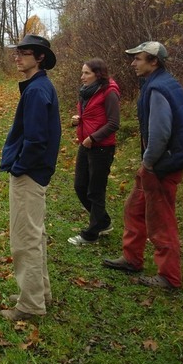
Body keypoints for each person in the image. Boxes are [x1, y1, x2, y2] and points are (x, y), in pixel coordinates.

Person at [103, 41, 183, 288]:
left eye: (138, 59)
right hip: (159, 162)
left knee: (161, 219)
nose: (132, 63)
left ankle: (169, 276)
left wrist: (148, 163)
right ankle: (131, 258)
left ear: (154, 61)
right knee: (134, 208)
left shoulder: (158, 89)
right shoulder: (160, 82)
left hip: (162, 165)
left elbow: (160, 132)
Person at [0, 34, 61, 320]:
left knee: (25, 239)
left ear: (39, 58)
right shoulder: (39, 86)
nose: (17, 57)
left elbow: (36, 141)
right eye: (17, 52)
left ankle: (30, 306)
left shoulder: (37, 90)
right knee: (35, 234)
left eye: (24, 53)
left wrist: (20, 166)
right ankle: (39, 291)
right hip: (35, 172)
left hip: (30, 174)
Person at [68, 58, 120, 245]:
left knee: (95, 191)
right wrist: (78, 119)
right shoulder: (87, 92)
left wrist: (93, 138)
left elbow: (114, 123)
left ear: (98, 74)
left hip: (101, 148)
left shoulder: (109, 92)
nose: (82, 77)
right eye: (82, 72)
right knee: (80, 186)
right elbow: (92, 115)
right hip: (85, 144)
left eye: (86, 73)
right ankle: (103, 221)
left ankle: (91, 234)